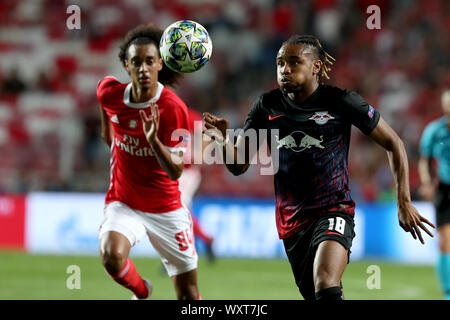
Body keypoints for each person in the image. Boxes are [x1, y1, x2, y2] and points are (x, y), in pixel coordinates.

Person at [203, 35, 435, 300]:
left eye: (293, 62)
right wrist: (222, 140)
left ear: (315, 66)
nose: (284, 69)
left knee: (325, 280)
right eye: (280, 63)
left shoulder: (341, 101)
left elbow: (394, 143)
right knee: (318, 294)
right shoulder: (267, 106)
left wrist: (403, 201)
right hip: (291, 223)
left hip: (335, 210)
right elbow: (238, 165)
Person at [96, 24, 200, 300]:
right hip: (124, 200)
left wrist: (152, 140)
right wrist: (116, 140)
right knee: (111, 255)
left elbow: (176, 171)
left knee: (188, 294)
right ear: (126, 65)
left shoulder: (172, 108)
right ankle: (142, 292)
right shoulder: (109, 93)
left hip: (166, 208)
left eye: (150, 61)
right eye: (136, 61)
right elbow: (108, 129)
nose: (143, 68)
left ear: (160, 64)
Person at [418, 89, 450, 300]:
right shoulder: (434, 130)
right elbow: (424, 159)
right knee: (445, 241)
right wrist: (427, 183)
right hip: (446, 189)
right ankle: (448, 291)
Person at [179, 108, 215, 262]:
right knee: (180, 211)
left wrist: (199, 155)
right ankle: (204, 239)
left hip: (187, 173)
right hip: (176, 171)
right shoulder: (165, 114)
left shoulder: (189, 116)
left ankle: (181, 249)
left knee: (179, 210)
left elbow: (206, 136)